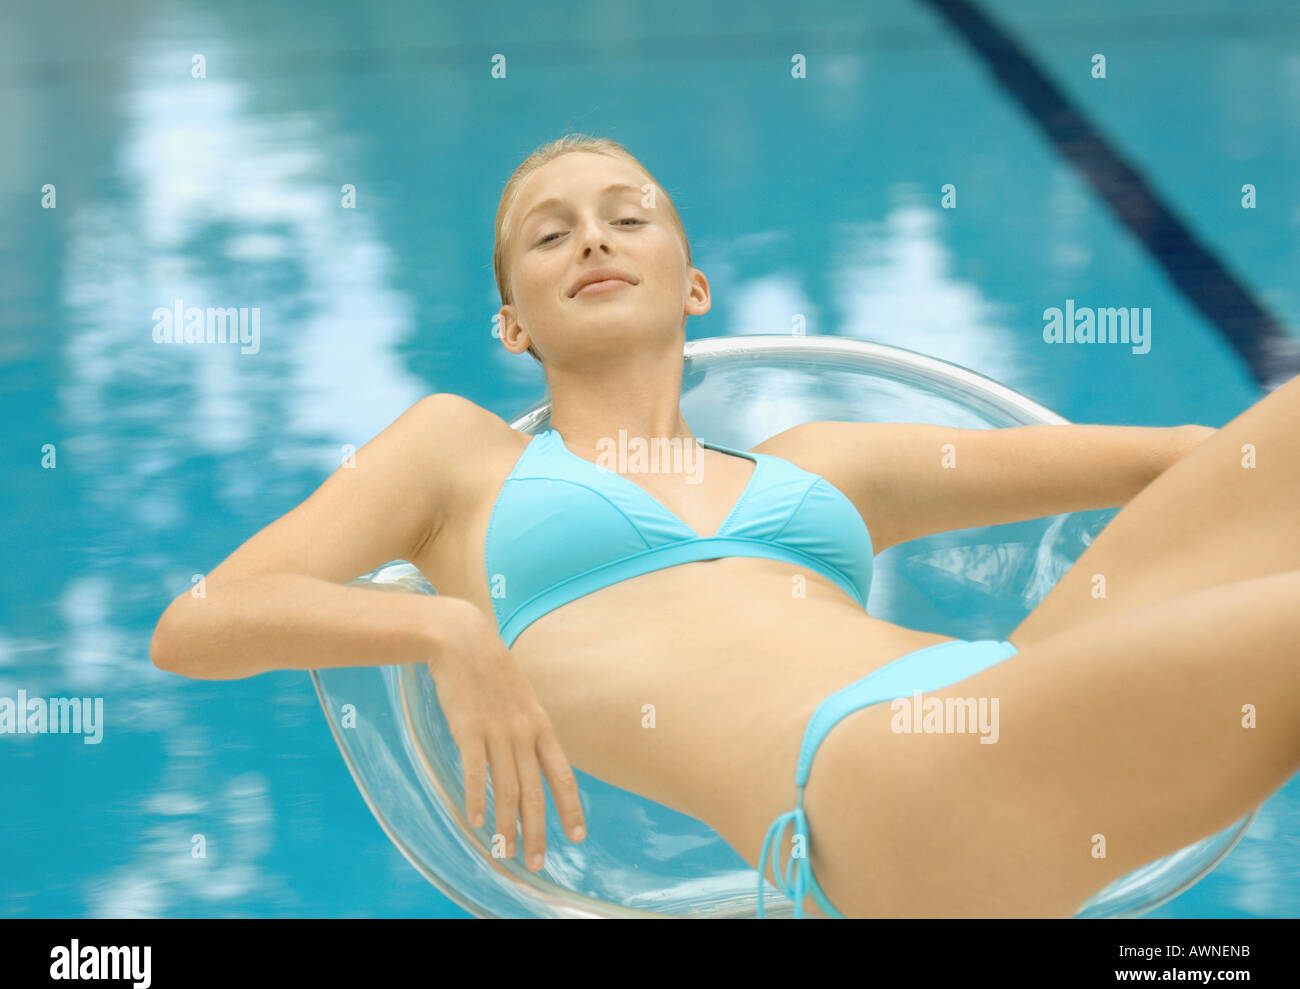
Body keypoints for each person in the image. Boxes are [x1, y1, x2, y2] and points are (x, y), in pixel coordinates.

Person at [151, 134, 1300, 918]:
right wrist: (442, 632)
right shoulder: (460, 455)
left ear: (691, 284)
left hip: (1013, 691)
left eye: (626, 217)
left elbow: (1188, 458)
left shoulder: (820, 461)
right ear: (513, 325)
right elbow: (200, 623)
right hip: (872, 790)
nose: (592, 240)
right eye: (549, 236)